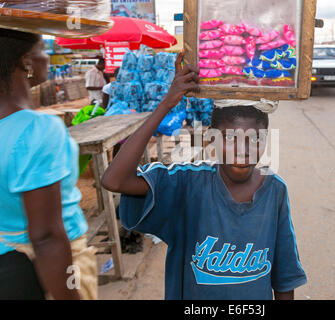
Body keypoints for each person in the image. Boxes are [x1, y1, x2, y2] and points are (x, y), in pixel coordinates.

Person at [101, 53, 307, 300]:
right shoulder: (188, 183)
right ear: (212, 138)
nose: (242, 151)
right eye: (230, 139)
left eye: (254, 139)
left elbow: (284, 276)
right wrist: (166, 103)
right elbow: (114, 180)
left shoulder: (275, 190)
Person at [0, 29, 97, 299]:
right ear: (26, 61)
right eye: (44, 49)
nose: (48, 57)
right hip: (46, 273)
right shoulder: (38, 129)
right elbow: (46, 237)